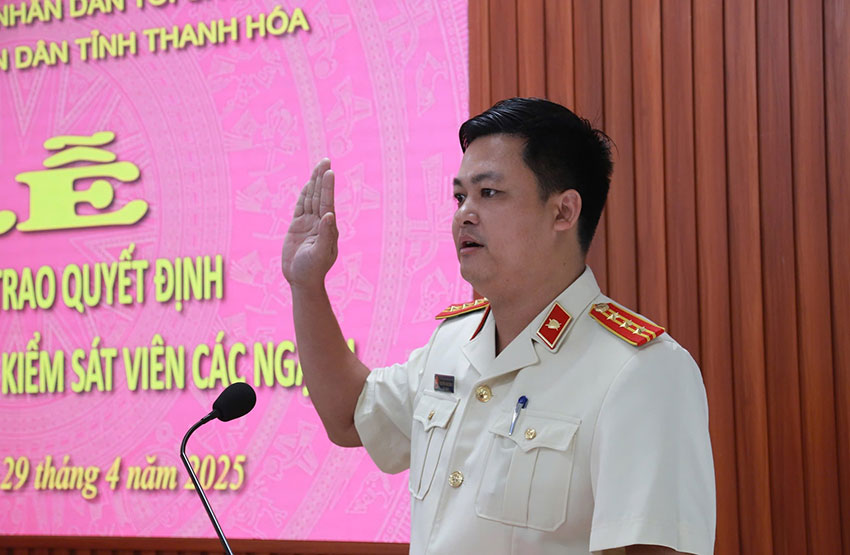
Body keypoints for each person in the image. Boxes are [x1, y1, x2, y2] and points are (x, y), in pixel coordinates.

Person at [281, 98, 715, 555]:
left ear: (564, 212)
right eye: (459, 196)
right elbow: (351, 417)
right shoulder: (452, 344)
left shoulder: (640, 372)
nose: (464, 214)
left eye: (489, 193)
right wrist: (306, 286)